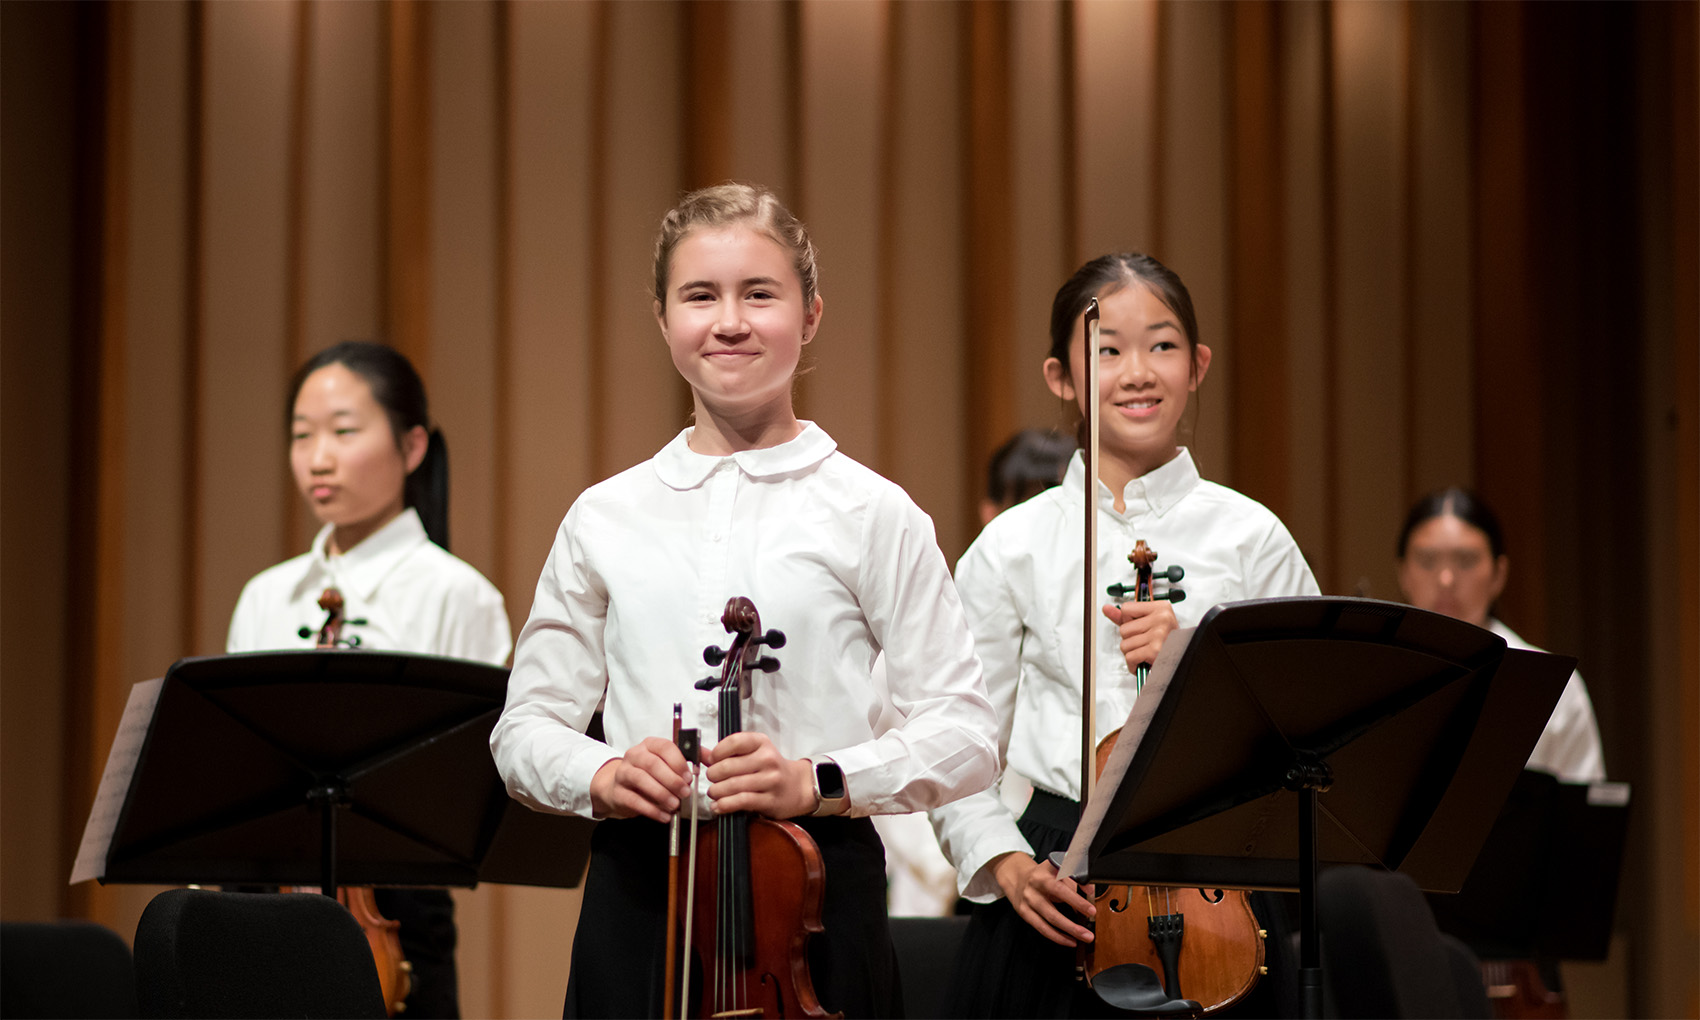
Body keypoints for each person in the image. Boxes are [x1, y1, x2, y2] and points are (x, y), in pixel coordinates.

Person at [489, 182, 1000, 1018]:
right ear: (662, 320)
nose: (730, 321)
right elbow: (524, 732)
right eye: (700, 296)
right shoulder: (604, 516)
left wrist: (817, 777)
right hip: (642, 890)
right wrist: (608, 772)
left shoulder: (874, 512)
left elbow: (966, 735)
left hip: (818, 886)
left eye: (759, 294)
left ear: (810, 316)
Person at [929, 252, 1321, 1017]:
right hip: (1056, 870)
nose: (1137, 371)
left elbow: (1306, 733)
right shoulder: (1014, 545)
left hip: (1219, 887)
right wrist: (1003, 860)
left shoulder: (1252, 536)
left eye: (1163, 345)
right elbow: (953, 737)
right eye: (1107, 350)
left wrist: (1202, 664)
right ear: (1061, 378)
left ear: (1198, 365)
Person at [227, 340, 512, 1018]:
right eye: (302, 436)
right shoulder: (267, 597)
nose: (318, 457)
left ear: (412, 448)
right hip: (268, 907)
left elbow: (470, 789)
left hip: (400, 914)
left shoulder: (458, 596)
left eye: (344, 432)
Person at [878, 427, 1075, 917]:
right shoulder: (950, 605)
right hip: (976, 865)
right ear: (991, 511)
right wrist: (980, 857)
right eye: (1026, 501)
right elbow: (912, 762)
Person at [1395, 487, 1606, 783]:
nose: (1446, 579)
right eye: (1427, 561)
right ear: (1403, 572)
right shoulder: (1378, 672)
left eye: (1466, 561)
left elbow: (1584, 811)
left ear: (1498, 573)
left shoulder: (1551, 682)